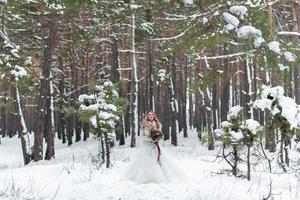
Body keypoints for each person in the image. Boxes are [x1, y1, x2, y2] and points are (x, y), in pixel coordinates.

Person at [122, 111, 186, 184]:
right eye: (149, 114)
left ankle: (161, 176)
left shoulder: (158, 125)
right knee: (146, 162)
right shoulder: (144, 125)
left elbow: (160, 135)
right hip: (147, 146)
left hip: (155, 146)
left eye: (152, 114)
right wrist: (151, 139)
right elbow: (143, 136)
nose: (151, 115)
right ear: (147, 116)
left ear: (154, 116)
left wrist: (157, 138)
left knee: (159, 161)